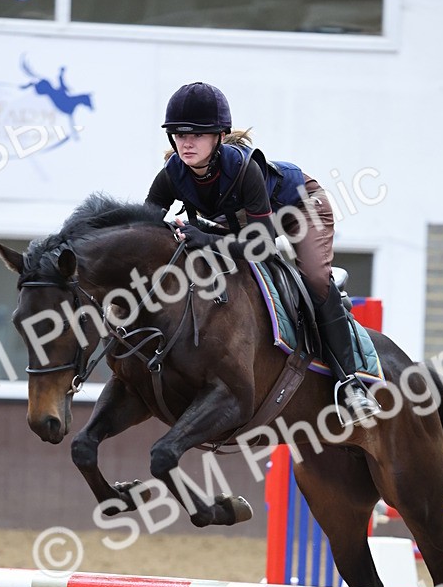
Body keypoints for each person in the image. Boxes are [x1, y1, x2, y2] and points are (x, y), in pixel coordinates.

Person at [145, 81, 379, 420]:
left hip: (301, 206)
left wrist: (205, 239)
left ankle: (351, 383)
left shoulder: (245, 168)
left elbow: (262, 245)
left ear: (220, 137)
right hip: (245, 222)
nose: (187, 143)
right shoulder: (171, 174)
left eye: (197, 134)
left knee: (314, 278)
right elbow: (147, 224)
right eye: (180, 135)